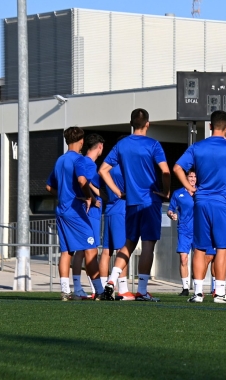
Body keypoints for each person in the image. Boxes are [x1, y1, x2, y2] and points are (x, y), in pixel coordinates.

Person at [99, 108, 171, 302]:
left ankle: (111, 281)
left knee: (128, 243)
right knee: (148, 244)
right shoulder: (153, 144)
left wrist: (117, 192)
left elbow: (103, 170)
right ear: (147, 123)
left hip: (130, 202)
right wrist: (166, 191)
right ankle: (142, 290)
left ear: (131, 124)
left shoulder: (121, 145)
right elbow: (165, 171)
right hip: (149, 201)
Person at [175, 110, 226, 304]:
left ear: (210, 126)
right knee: (222, 247)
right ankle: (220, 293)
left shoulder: (197, 147)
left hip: (201, 202)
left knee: (200, 248)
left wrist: (189, 187)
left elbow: (177, 167)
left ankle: (197, 293)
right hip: (222, 203)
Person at [45, 127, 104, 301]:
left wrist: (65, 194)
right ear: (81, 141)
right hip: (75, 211)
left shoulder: (60, 160)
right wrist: (89, 197)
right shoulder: (80, 159)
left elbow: (49, 187)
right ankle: (100, 291)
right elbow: (82, 180)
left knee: (66, 252)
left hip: (61, 210)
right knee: (91, 248)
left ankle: (65, 291)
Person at [70, 133, 106, 300]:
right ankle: (98, 289)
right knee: (91, 251)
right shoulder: (90, 165)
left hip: (81, 210)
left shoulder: (79, 161)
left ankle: (77, 287)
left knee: (81, 251)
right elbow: (86, 182)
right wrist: (95, 197)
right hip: (91, 213)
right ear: (99, 146)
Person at [98, 163, 132, 300]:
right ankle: (123, 290)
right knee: (122, 250)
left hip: (109, 210)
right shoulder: (125, 168)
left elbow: (94, 183)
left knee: (106, 251)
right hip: (121, 210)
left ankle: (101, 288)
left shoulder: (108, 168)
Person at [168, 169, 196, 297]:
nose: (193, 179)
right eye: (190, 176)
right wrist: (172, 214)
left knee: (199, 259)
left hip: (199, 231)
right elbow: (170, 209)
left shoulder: (201, 192)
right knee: (183, 259)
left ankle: (198, 288)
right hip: (184, 230)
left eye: (195, 177)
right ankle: (185, 288)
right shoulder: (178, 193)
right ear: (186, 178)